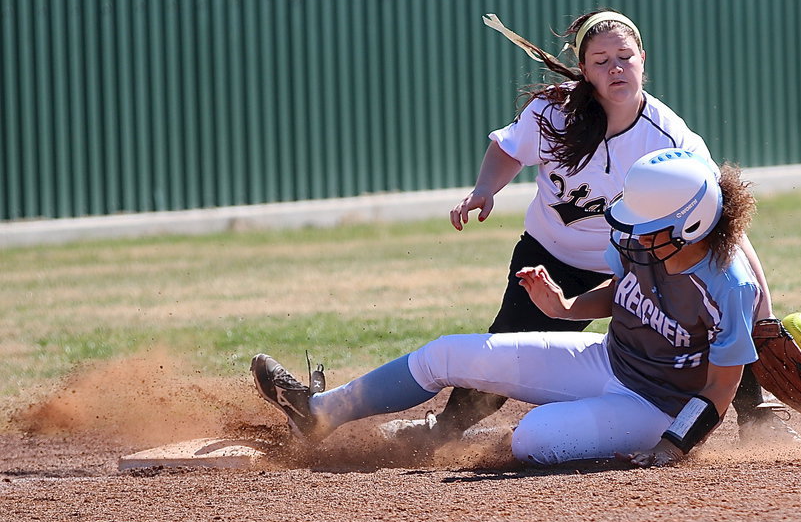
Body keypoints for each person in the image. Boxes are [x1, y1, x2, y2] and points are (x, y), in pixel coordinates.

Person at [252, 150, 766, 467]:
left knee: (532, 439)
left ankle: (585, 433)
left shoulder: (727, 285)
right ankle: (319, 415)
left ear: (690, 226)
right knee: (444, 355)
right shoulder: (644, 242)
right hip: (608, 359)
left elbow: (720, 392)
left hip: (657, 407)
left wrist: (672, 448)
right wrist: (565, 308)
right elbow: (622, 291)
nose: (629, 231)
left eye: (645, 224)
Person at [430, 9, 796, 444]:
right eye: (601, 60)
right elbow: (510, 148)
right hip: (549, 257)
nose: (615, 67)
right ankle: (441, 434)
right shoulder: (555, 110)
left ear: (643, 57)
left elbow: (718, 222)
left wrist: (764, 308)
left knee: (701, 321)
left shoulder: (669, 139)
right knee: (506, 345)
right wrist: (484, 189)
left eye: (624, 56)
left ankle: (757, 417)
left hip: (640, 259)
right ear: (584, 70)